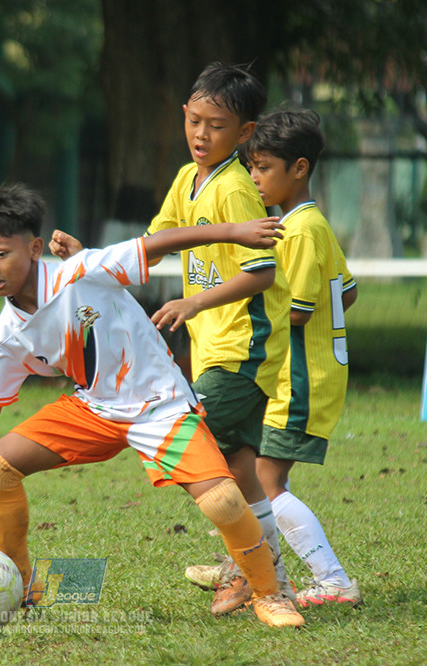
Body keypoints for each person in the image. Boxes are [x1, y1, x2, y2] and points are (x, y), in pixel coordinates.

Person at [0, 184, 303, 629]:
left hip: (160, 406)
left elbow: (157, 243)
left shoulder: (80, 271)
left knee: (221, 500)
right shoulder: (7, 333)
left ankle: (268, 594)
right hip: (94, 409)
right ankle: (21, 586)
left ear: (33, 249)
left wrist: (234, 230)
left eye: (1, 253)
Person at [54, 63, 294, 616]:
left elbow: (262, 273)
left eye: (216, 124)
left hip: (244, 351)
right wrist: (88, 257)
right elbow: (153, 245)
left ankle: (249, 573)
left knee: (195, 446)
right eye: (194, 120)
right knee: (235, 466)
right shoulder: (189, 179)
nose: (201, 134)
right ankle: (262, 566)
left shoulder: (235, 188)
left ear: (245, 132)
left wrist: (193, 302)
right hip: (217, 349)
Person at [247, 108, 360, 606]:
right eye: (251, 167)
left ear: (299, 168)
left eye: (264, 167)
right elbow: (348, 293)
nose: (254, 178)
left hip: (300, 378)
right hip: (311, 372)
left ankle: (333, 581)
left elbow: (293, 312)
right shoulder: (310, 223)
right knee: (258, 474)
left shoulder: (299, 231)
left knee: (264, 481)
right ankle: (243, 564)